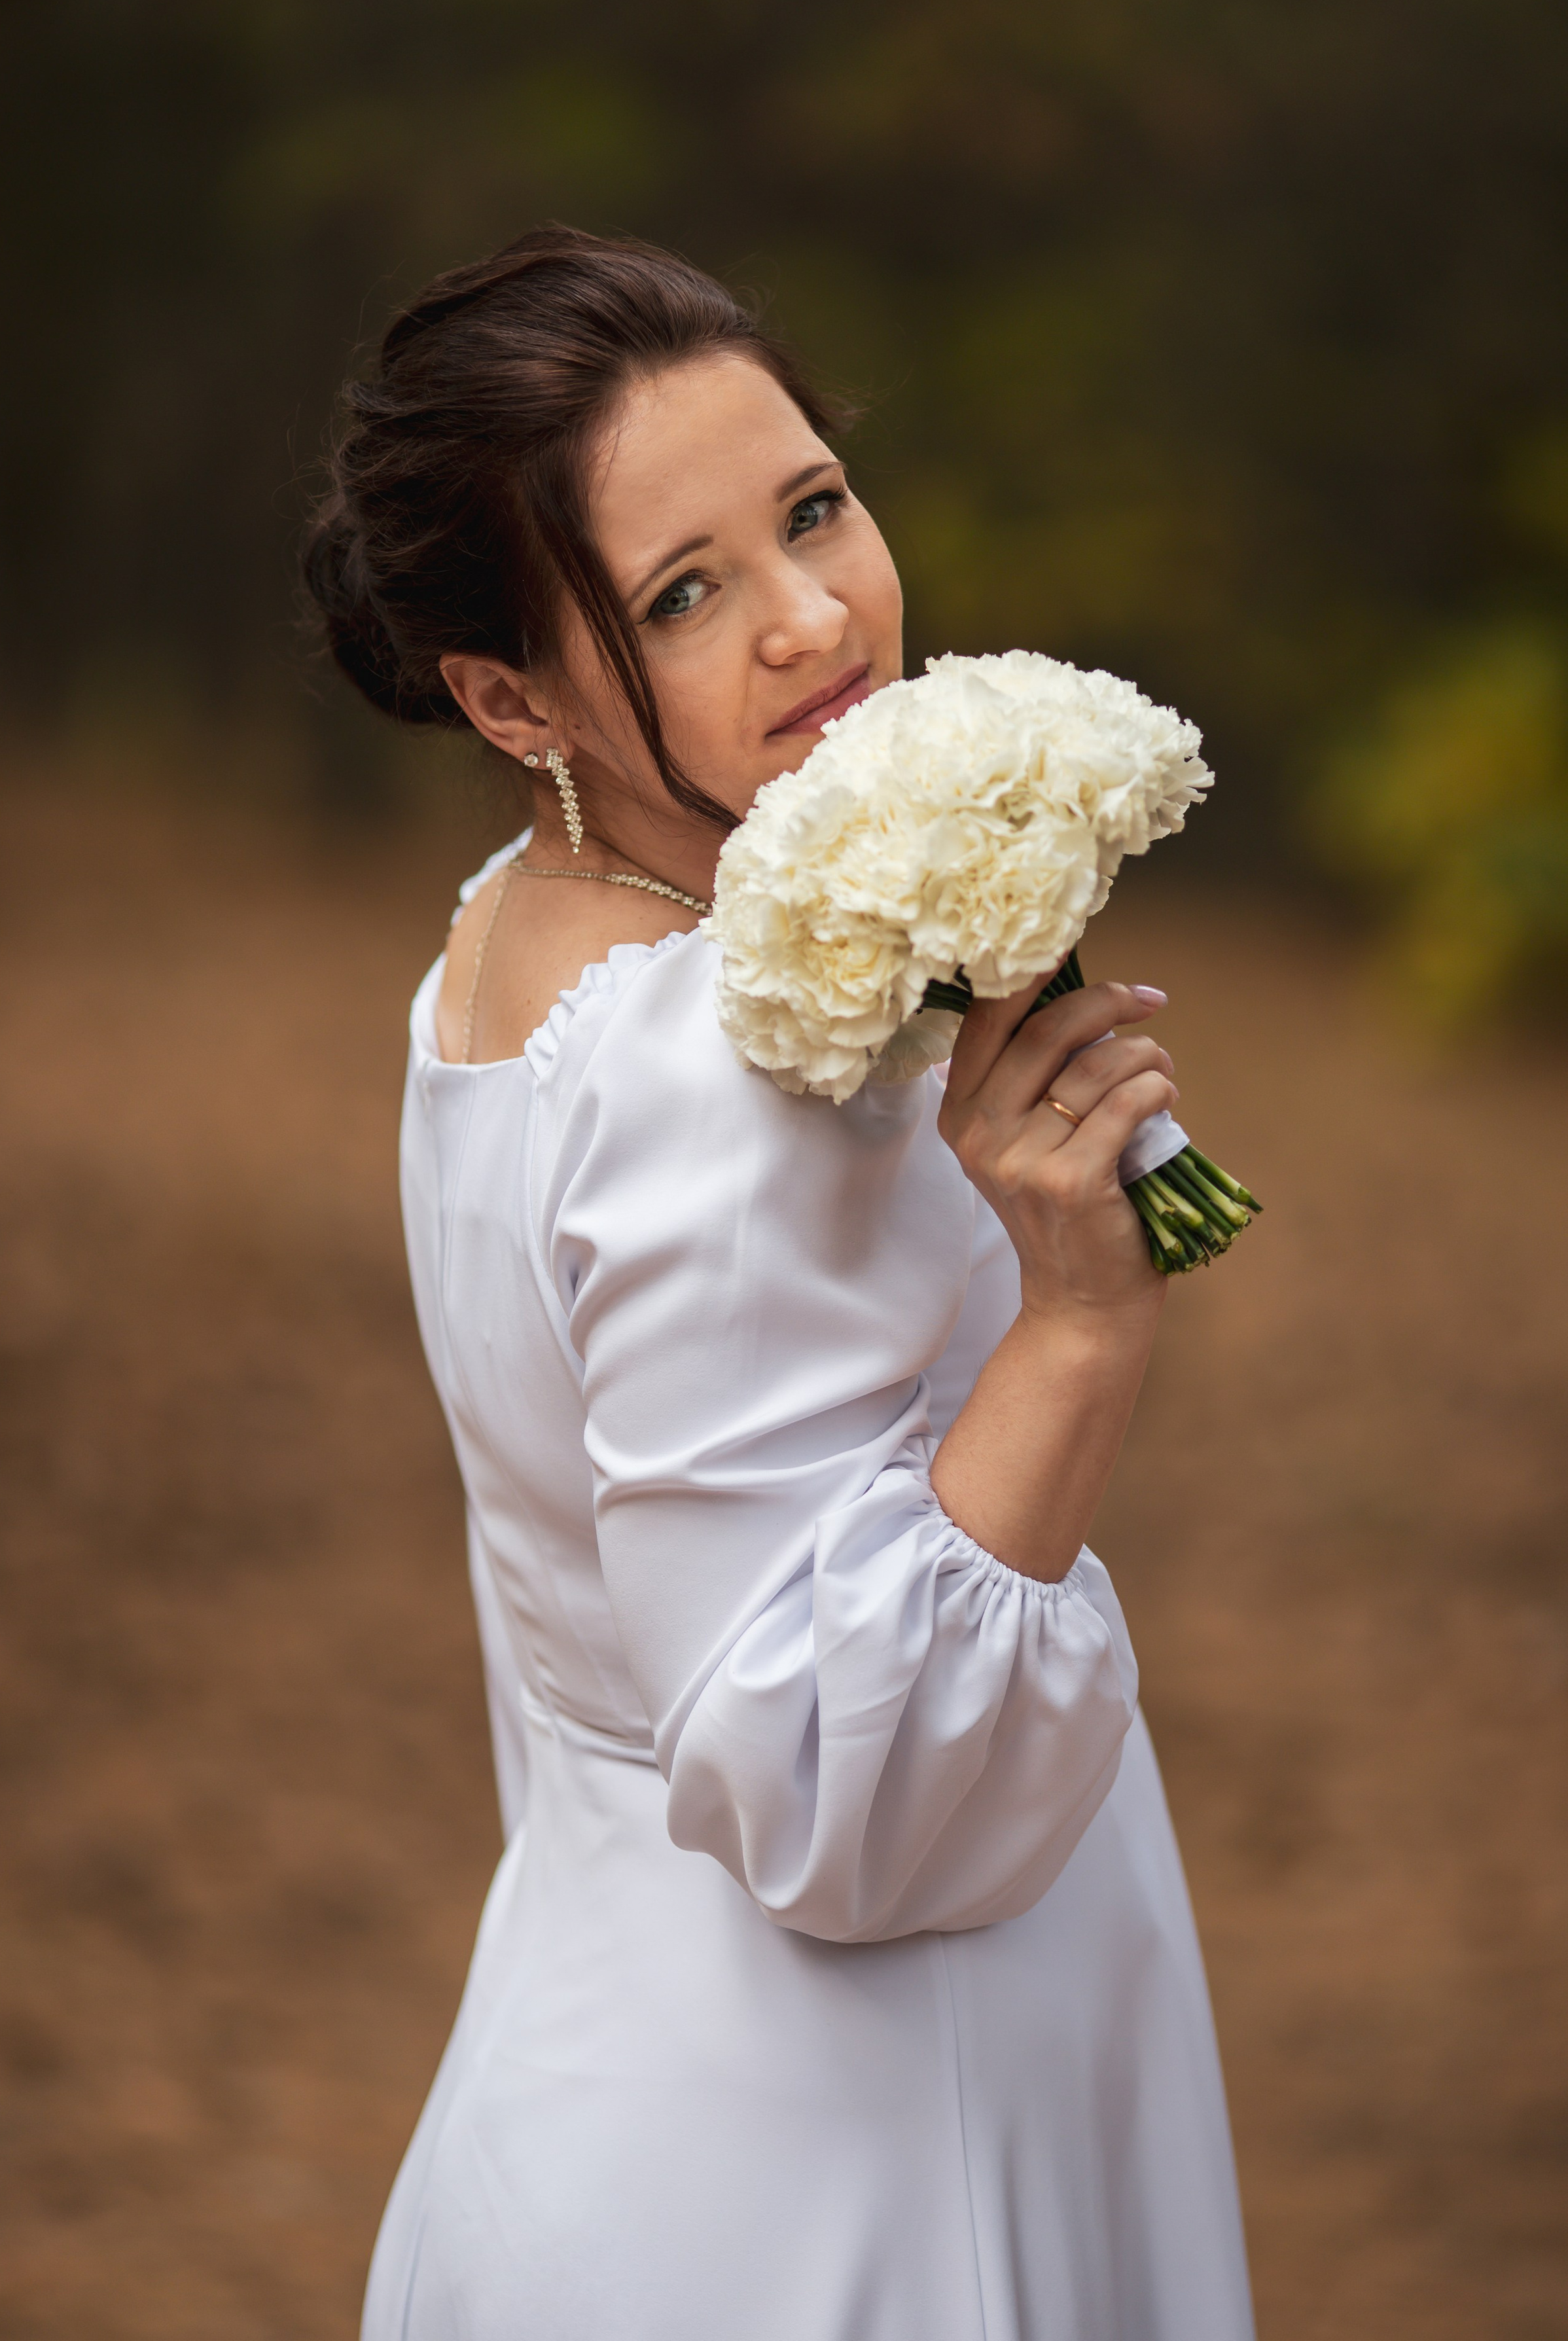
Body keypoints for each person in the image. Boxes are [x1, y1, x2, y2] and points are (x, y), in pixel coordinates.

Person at [304, 224, 1254, 2341]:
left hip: (604, 2048)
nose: (819, 618)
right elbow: (853, 1800)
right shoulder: (717, 1054)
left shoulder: (515, 943)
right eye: (684, 592)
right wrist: (1084, 1316)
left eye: (812, 507)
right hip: (849, 2149)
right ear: (504, 694)